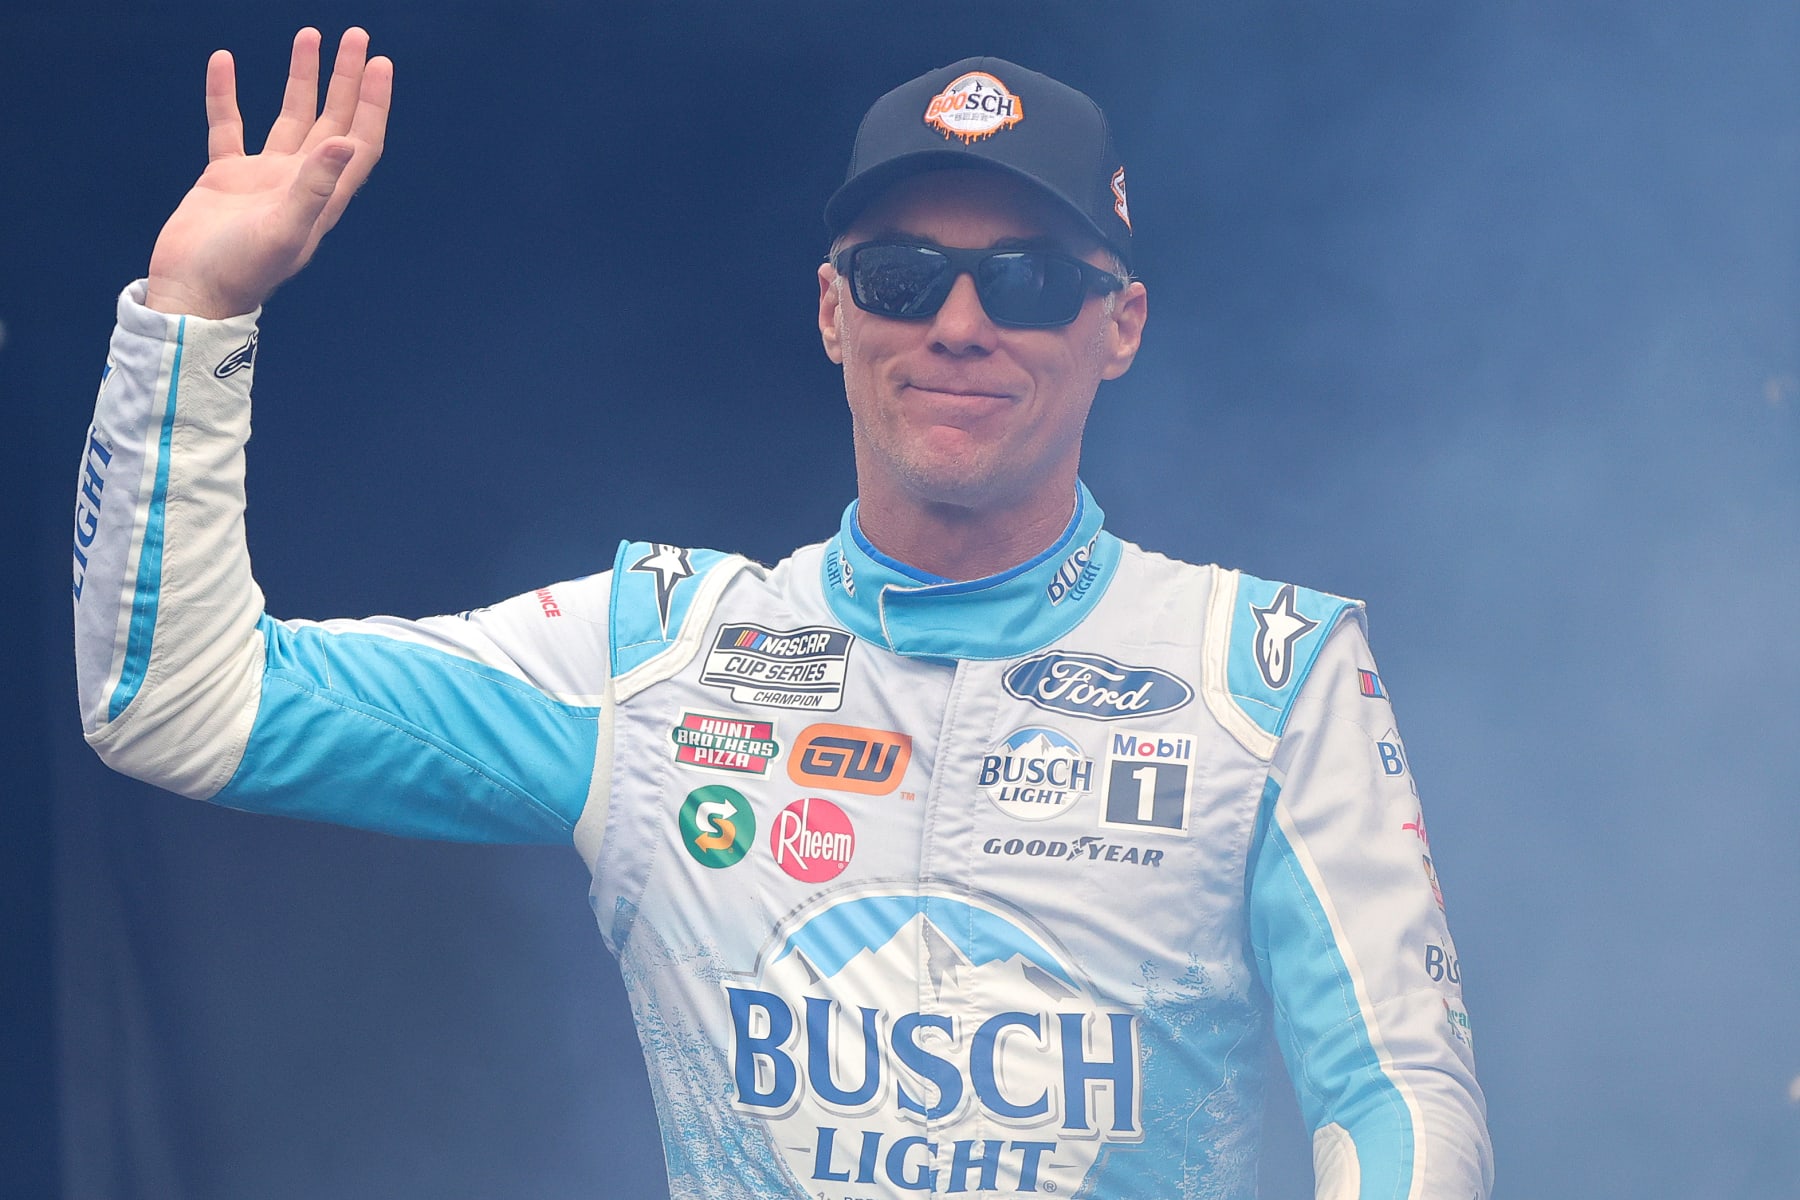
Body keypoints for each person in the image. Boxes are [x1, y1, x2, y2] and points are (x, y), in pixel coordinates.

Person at [73, 27, 1494, 1199]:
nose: (957, 322)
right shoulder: (655, 655)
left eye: (1026, 280)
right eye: (900, 273)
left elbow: (1396, 1093)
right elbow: (176, 703)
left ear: (1117, 325)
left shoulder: (1268, 670)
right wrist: (191, 313)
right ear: (832, 311)